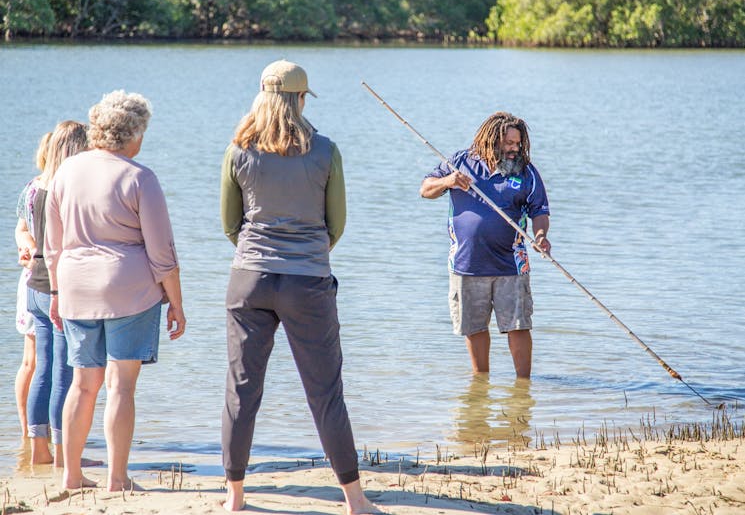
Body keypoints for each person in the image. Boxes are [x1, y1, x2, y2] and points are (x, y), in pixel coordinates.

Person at [220, 60, 382, 514]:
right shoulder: (326, 150)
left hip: (249, 279)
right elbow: (337, 225)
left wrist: (261, 251)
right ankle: (354, 499)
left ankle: (234, 496)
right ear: (301, 99)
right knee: (325, 391)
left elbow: (230, 225)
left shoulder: (237, 151)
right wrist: (307, 251)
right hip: (308, 280)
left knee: (242, 388)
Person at [44, 90, 186, 491]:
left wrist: (56, 293)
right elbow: (163, 254)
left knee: (82, 384)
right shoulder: (140, 177)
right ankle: (117, 478)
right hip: (129, 290)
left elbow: (52, 245)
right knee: (120, 386)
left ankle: (71, 475)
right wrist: (176, 303)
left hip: (74, 287)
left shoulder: (65, 173)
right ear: (135, 133)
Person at [420, 111, 551, 378]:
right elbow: (426, 189)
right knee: (474, 327)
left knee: (518, 325)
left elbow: (540, 211)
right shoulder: (460, 162)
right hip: (466, 263)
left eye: (519, 143)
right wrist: (449, 181)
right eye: (510, 143)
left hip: (510, 265)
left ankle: (523, 382)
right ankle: (481, 386)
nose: (516, 149)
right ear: (492, 140)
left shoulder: (527, 172)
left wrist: (540, 236)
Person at [24, 122, 90, 465]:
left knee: (44, 368)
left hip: (33, 284)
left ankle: (39, 450)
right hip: (56, 287)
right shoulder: (67, 191)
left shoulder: (37, 187)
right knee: (64, 371)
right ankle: (66, 455)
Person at [14, 132, 50, 438]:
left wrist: (27, 246)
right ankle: (30, 430)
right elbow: (20, 230)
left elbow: (20, 230)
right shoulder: (39, 188)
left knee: (36, 360)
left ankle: (35, 430)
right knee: (32, 360)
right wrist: (30, 247)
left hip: (32, 275)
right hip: (37, 278)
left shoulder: (32, 187)